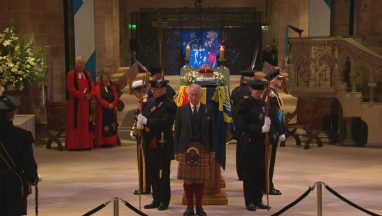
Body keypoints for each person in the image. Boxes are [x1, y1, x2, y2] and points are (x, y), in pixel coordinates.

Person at [174, 83, 216, 216]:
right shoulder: (181, 110)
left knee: (199, 180)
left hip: (203, 148)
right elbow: (177, 133)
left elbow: (212, 133)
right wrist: (176, 151)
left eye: (196, 95)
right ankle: (189, 208)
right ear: (188, 95)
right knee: (188, 180)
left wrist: (213, 150)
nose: (193, 97)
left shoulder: (208, 110)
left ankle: (199, 208)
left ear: (201, 95)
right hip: (186, 148)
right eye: (191, 94)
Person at [136, 79, 177, 211]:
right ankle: (156, 198)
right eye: (153, 89)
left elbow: (165, 123)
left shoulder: (169, 105)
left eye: (157, 90)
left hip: (162, 143)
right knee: (152, 172)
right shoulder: (150, 102)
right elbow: (144, 116)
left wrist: (147, 121)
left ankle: (164, 201)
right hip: (149, 142)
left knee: (163, 173)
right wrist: (139, 123)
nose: (154, 92)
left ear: (164, 90)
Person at [0, 95, 40, 215]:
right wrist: (34, 178)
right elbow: (28, 163)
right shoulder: (21, 136)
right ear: (12, 115)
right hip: (13, 185)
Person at [236, 79, 271, 211]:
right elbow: (242, 125)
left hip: (261, 144)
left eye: (261, 91)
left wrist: (268, 125)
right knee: (249, 174)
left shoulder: (264, 104)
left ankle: (258, 199)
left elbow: (265, 119)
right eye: (256, 91)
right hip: (249, 143)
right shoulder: (244, 105)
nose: (259, 93)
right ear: (251, 90)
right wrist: (260, 129)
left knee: (260, 173)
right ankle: (249, 201)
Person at [263, 68, 286, 195]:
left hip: (274, 132)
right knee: (269, 162)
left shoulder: (273, 93)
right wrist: (280, 131)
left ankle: (268, 184)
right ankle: (267, 186)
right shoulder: (270, 94)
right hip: (271, 132)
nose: (281, 81)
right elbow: (273, 115)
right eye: (279, 79)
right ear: (273, 80)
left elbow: (279, 114)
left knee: (270, 161)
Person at [65, 56, 94, 150]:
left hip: (86, 105)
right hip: (76, 105)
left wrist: (90, 95)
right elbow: (71, 89)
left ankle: (86, 144)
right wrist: (83, 95)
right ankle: (75, 145)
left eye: (83, 63)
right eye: (80, 63)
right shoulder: (71, 74)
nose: (82, 65)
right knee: (76, 123)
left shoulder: (88, 74)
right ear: (76, 64)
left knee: (86, 124)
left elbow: (92, 86)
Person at [231, 70, 255, 181]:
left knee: (240, 149)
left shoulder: (236, 91)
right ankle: (246, 172)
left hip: (238, 124)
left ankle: (240, 173)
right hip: (249, 124)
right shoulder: (251, 91)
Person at [130, 79, 151, 195]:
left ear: (139, 91)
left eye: (135, 92)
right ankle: (143, 186)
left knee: (143, 162)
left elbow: (141, 118)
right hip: (141, 135)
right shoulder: (143, 101)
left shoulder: (145, 102)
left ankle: (144, 187)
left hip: (143, 136)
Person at [93, 73, 119, 147]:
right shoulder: (97, 87)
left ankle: (111, 141)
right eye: (105, 81)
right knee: (103, 126)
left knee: (112, 126)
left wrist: (113, 104)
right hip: (102, 110)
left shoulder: (110, 87)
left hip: (111, 110)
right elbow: (98, 98)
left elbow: (116, 96)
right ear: (101, 81)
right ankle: (103, 142)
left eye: (107, 81)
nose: (106, 82)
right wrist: (107, 105)